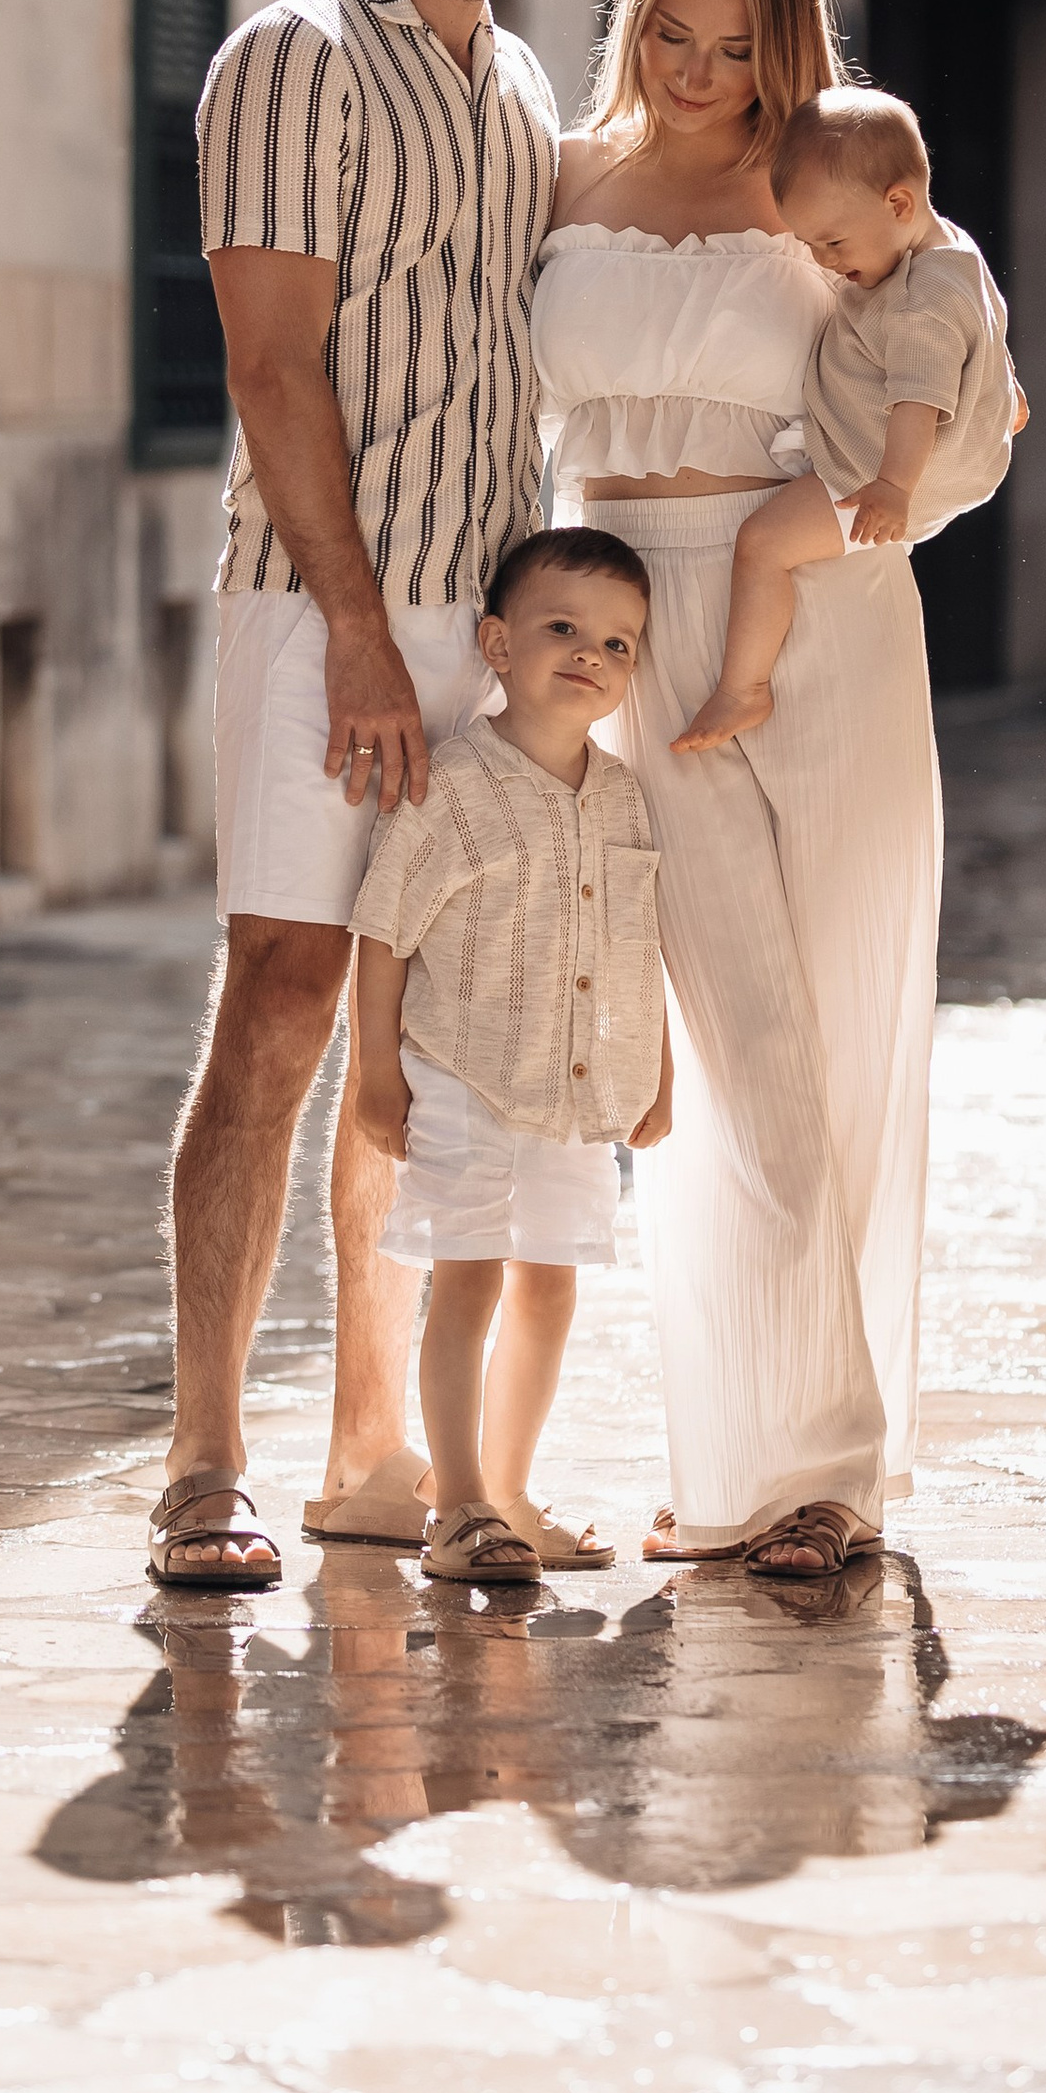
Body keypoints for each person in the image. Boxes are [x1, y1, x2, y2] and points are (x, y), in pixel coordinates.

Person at [149, 0, 565, 1593]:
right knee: (290, 997)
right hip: (330, 608)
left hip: (481, 621)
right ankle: (203, 1456)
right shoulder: (289, 59)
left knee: (430, 1029)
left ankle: (373, 1446)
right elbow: (271, 364)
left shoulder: (524, 89)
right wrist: (353, 632)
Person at [529, 0, 941, 1583]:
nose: (699, 73)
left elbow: (955, 354)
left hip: (820, 613)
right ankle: (778, 1458)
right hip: (634, 625)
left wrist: (888, 499)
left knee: (843, 1030)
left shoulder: (826, 185)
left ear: (788, 42)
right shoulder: (559, 175)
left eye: (735, 43)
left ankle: (797, 1467)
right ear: (635, 19)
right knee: (737, 1048)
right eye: (671, 35)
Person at [348, 528, 674, 1586]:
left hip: (574, 1095)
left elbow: (638, 943)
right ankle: (459, 1505)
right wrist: (375, 1073)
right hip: (464, 1080)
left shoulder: (624, 798)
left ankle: (511, 1489)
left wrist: (656, 1072)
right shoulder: (450, 787)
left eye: (619, 644)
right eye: (563, 628)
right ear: (496, 642)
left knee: (550, 1288)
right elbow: (384, 929)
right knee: (469, 1280)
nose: (591, 654)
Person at [672, 87, 1018, 755]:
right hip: (949, 459)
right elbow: (987, 325)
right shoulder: (951, 249)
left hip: (879, 470)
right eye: (809, 243)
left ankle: (744, 687)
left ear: (898, 204)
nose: (824, 260)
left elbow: (916, 399)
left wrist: (890, 486)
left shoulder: (918, 307)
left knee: (762, 545)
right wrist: (1002, 392)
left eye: (833, 241)